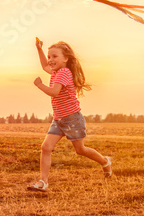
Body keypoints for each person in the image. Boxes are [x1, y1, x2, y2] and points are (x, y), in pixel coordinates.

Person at [27, 39, 112, 192]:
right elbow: (44, 66)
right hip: (59, 119)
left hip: (72, 118)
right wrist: (39, 49)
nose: (50, 60)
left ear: (65, 58)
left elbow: (54, 92)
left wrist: (40, 85)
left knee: (80, 150)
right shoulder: (56, 71)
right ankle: (43, 182)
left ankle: (105, 162)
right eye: (49, 56)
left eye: (54, 56)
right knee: (46, 147)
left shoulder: (64, 73)